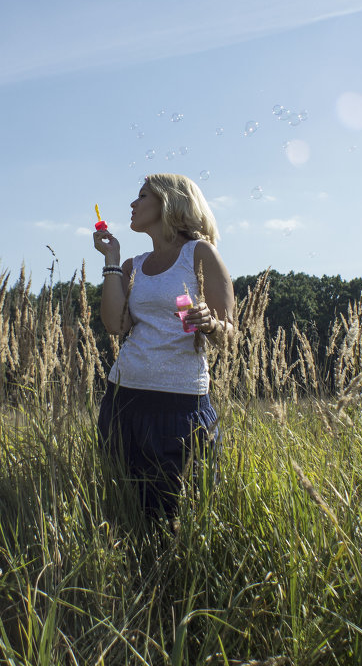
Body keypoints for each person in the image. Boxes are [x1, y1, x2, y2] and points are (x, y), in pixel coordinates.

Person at [92, 173, 236, 518]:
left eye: (142, 195)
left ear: (169, 202)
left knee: (179, 513)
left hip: (180, 405)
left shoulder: (199, 254)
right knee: (124, 510)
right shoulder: (133, 266)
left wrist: (211, 323)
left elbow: (229, 334)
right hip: (122, 398)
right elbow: (116, 325)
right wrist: (112, 259)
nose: (132, 203)